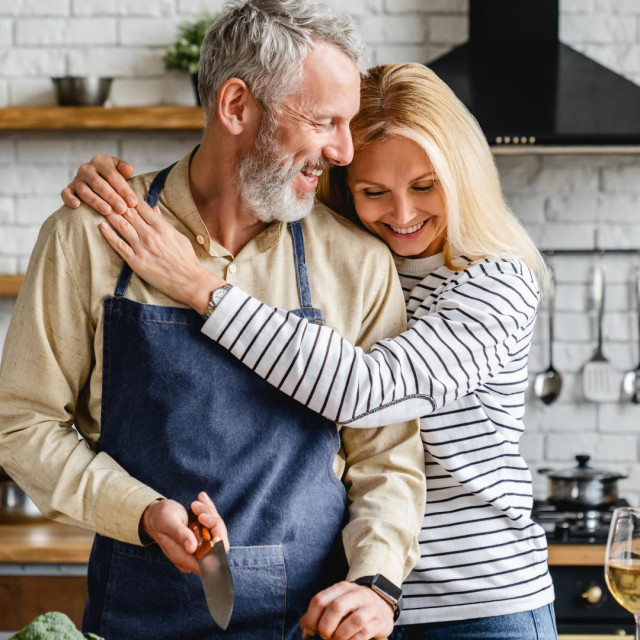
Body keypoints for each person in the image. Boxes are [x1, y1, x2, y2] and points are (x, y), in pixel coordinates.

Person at [64, 62, 559, 639]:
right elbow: (238, 172)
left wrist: (199, 287)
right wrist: (120, 185)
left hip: (474, 605)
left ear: (465, 175)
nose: (402, 214)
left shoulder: (494, 283)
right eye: (375, 191)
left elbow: (363, 394)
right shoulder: (361, 258)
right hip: (354, 603)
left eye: (425, 186)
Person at [0, 3, 427, 639]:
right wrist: (141, 510)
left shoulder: (357, 260)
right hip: (133, 617)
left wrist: (374, 584)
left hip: (311, 626)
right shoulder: (88, 238)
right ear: (235, 106)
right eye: (324, 121)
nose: (343, 150)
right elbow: (24, 423)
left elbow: (386, 457)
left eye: (349, 125)